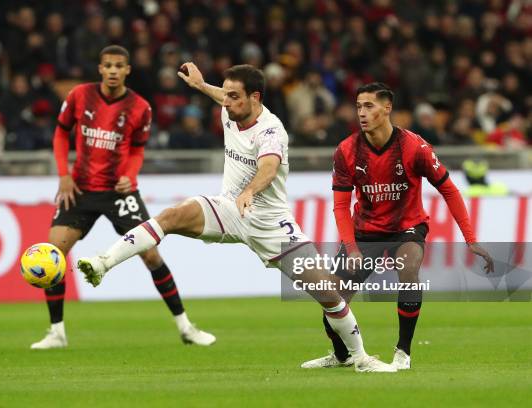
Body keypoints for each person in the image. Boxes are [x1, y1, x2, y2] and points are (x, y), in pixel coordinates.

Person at [76, 63, 396, 373]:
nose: (225, 102)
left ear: (255, 98)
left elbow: (268, 168)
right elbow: (221, 96)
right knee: (172, 215)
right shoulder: (231, 110)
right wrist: (201, 86)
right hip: (228, 210)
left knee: (329, 294)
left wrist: (251, 191)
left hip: (270, 223)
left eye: (233, 96)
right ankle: (104, 263)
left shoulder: (271, 132)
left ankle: (358, 357)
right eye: (225, 95)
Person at [31, 45, 215, 349]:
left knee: (151, 254)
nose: (114, 70)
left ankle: (186, 327)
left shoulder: (140, 107)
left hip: (119, 192)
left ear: (127, 70)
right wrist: (63, 175)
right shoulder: (79, 96)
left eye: (119, 66)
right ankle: (56, 333)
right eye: (108, 65)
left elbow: (138, 148)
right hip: (79, 189)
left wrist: (131, 175)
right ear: (100, 69)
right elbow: (61, 134)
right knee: (52, 255)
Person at [301, 82, 494, 371]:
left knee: (409, 269)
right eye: (358, 107)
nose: (362, 113)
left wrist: (470, 238)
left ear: (387, 108)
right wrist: (351, 247)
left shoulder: (415, 147)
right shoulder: (346, 151)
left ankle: (403, 353)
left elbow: (450, 191)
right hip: (366, 231)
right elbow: (341, 206)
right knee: (333, 296)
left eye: (369, 106)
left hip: (408, 226)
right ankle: (341, 356)